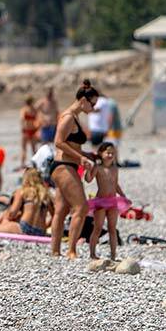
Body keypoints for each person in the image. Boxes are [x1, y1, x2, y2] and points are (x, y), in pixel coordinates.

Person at [48, 85, 100, 258]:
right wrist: (81, 158)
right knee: (81, 207)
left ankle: (55, 251)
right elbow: (58, 142)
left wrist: (86, 155)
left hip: (65, 165)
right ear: (83, 100)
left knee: (62, 209)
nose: (93, 108)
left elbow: (72, 145)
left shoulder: (75, 117)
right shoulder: (69, 117)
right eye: (92, 104)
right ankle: (71, 250)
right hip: (64, 165)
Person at [85, 142, 131, 260]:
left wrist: (123, 195)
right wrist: (88, 170)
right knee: (98, 228)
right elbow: (88, 180)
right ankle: (92, 253)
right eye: (108, 153)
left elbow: (115, 184)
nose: (110, 155)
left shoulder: (115, 168)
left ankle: (113, 255)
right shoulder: (98, 168)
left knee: (112, 229)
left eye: (113, 153)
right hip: (100, 201)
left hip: (113, 201)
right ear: (101, 153)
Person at [0, 167, 54, 238]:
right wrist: (46, 226)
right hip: (41, 231)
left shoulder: (23, 191)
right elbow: (54, 215)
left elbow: (12, 213)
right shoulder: (46, 194)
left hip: (25, 228)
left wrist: (6, 216)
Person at [19, 96, 39, 168]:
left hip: (26, 130)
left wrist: (22, 128)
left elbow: (22, 119)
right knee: (34, 148)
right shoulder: (34, 110)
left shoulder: (24, 110)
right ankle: (35, 164)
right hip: (33, 130)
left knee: (24, 149)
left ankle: (22, 164)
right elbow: (38, 119)